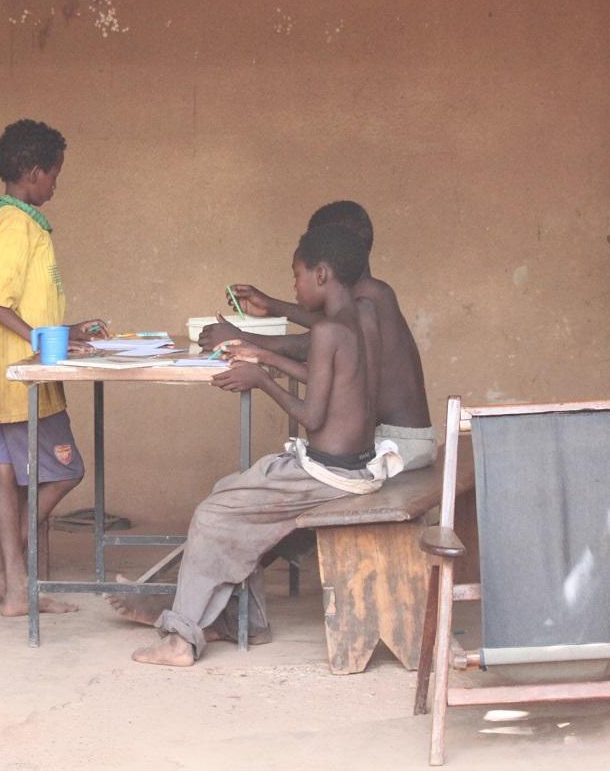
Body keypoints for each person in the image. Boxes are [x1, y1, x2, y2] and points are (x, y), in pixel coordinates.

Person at [114, 224, 397, 666]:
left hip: (326, 474)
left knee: (213, 514)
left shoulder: (326, 333)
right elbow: (337, 382)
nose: (295, 287)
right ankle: (250, 621)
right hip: (358, 465)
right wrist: (264, 356)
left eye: (297, 277)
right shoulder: (362, 322)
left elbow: (312, 416)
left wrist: (262, 378)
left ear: (321, 275)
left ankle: (180, 640)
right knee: (228, 488)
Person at [0, 118, 108, 618]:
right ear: (32, 173)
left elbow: (28, 302)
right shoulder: (15, 224)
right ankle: (5, 566)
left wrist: (68, 330)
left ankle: (13, 586)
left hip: (12, 375)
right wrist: (42, 340)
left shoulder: (22, 221)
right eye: (54, 174)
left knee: (6, 474)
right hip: (24, 376)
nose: (56, 184)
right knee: (69, 468)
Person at [199, 200, 435, 472]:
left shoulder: (370, 298)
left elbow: (307, 345)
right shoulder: (366, 297)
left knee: (298, 470)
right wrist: (272, 307)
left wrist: (241, 338)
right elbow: (327, 328)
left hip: (396, 444)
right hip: (398, 440)